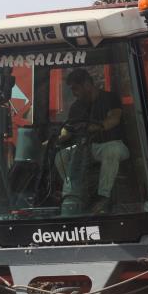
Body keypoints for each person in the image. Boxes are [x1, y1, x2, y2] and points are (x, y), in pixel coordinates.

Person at [54, 69, 129, 214]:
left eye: (76, 88)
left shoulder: (110, 98)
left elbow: (114, 118)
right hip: (88, 148)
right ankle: (74, 194)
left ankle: (103, 197)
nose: (74, 93)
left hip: (114, 144)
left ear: (87, 84)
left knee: (111, 150)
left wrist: (92, 127)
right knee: (61, 156)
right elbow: (68, 130)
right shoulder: (76, 107)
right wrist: (55, 139)